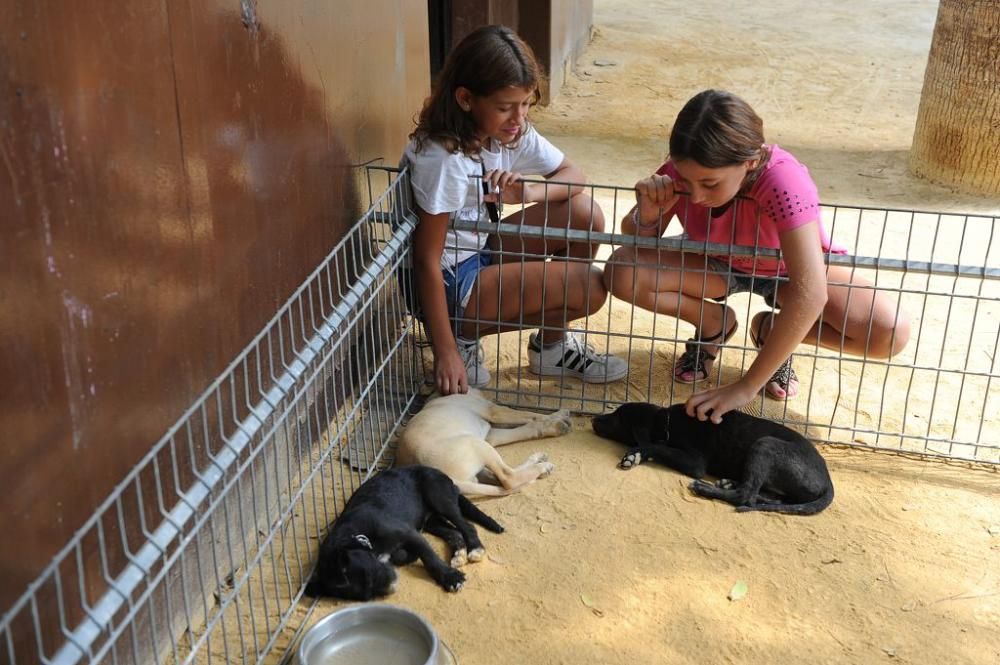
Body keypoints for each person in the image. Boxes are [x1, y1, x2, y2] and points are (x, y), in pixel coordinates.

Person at [605, 89, 910, 422]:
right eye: (687, 182)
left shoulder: (784, 180)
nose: (694, 197)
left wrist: (746, 386)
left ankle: (772, 335)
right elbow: (638, 246)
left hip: (784, 271)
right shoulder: (685, 170)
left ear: (749, 161)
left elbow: (810, 293)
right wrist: (648, 216)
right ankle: (713, 326)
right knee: (623, 270)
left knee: (887, 332)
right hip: (714, 261)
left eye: (709, 183)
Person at [402, 25, 627, 396]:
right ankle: (461, 340)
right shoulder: (443, 159)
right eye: (505, 107)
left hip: (480, 253)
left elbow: (575, 175)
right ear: (465, 99)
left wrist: (528, 192)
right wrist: (444, 352)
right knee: (590, 287)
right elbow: (427, 259)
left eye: (525, 104)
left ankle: (552, 349)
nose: (518, 118)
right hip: (449, 283)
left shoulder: (508, 131)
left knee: (584, 213)